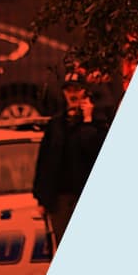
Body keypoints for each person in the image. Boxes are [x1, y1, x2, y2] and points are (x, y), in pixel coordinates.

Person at [32, 68, 115, 243]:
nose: (73, 94)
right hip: (60, 199)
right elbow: (45, 161)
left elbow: (94, 149)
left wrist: (87, 120)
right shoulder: (56, 124)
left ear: (85, 92)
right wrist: (42, 198)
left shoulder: (98, 122)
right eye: (69, 90)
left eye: (76, 89)